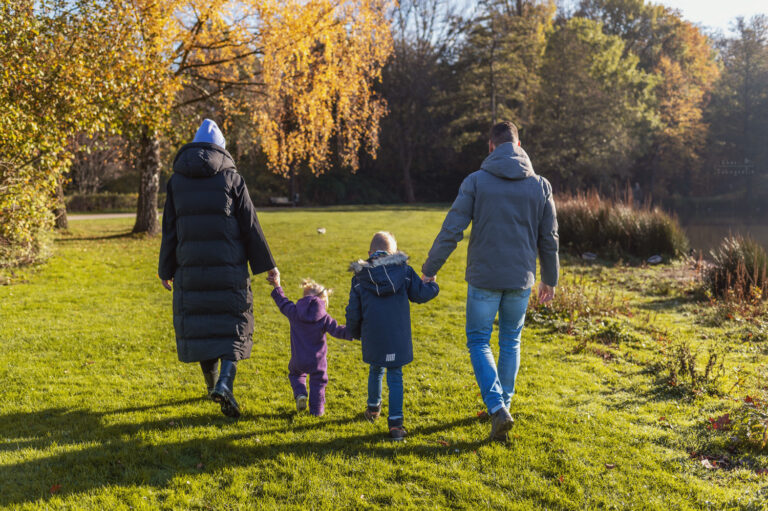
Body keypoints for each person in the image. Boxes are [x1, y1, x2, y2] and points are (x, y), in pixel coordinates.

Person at [421, 121, 559, 442]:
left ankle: (498, 408)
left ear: (490, 146)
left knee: (479, 341)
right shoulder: (541, 186)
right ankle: (503, 406)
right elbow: (548, 238)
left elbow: (452, 229)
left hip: (483, 278)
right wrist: (549, 278)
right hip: (521, 279)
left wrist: (430, 267)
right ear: (519, 144)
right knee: (511, 341)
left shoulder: (476, 181)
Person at [158, 119, 278, 418]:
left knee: (202, 327)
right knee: (232, 327)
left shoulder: (176, 181)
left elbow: (169, 228)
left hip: (190, 268)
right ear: (220, 148)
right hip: (228, 268)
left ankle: (214, 386)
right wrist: (269, 267)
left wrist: (166, 268)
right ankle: (225, 383)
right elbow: (250, 226)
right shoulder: (231, 177)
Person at [345, 231, 440, 440]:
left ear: (370, 252)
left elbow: (353, 310)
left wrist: (353, 330)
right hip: (397, 336)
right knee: (395, 376)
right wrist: (433, 284)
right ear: (394, 252)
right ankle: (396, 425)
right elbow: (420, 294)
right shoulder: (404, 271)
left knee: (376, 369)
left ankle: (372, 409)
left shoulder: (360, 277)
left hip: (374, 335)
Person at [269, 277, 352, 416]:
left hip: (298, 359)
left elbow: (282, 302)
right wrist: (356, 331)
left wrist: (276, 285)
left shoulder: (294, 312)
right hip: (317, 361)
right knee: (318, 382)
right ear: (323, 302)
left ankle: (300, 394)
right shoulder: (324, 318)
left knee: (295, 374)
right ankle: (317, 411)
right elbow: (338, 330)